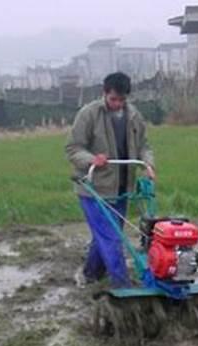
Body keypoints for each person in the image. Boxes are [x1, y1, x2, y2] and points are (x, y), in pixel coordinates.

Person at [66, 72, 155, 288]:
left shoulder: (134, 116)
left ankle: (89, 274)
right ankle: (122, 284)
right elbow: (73, 148)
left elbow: (144, 145)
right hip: (94, 189)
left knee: (104, 237)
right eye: (113, 99)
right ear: (104, 93)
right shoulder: (89, 114)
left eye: (122, 100)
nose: (117, 104)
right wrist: (92, 159)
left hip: (122, 188)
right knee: (113, 239)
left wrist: (148, 164)